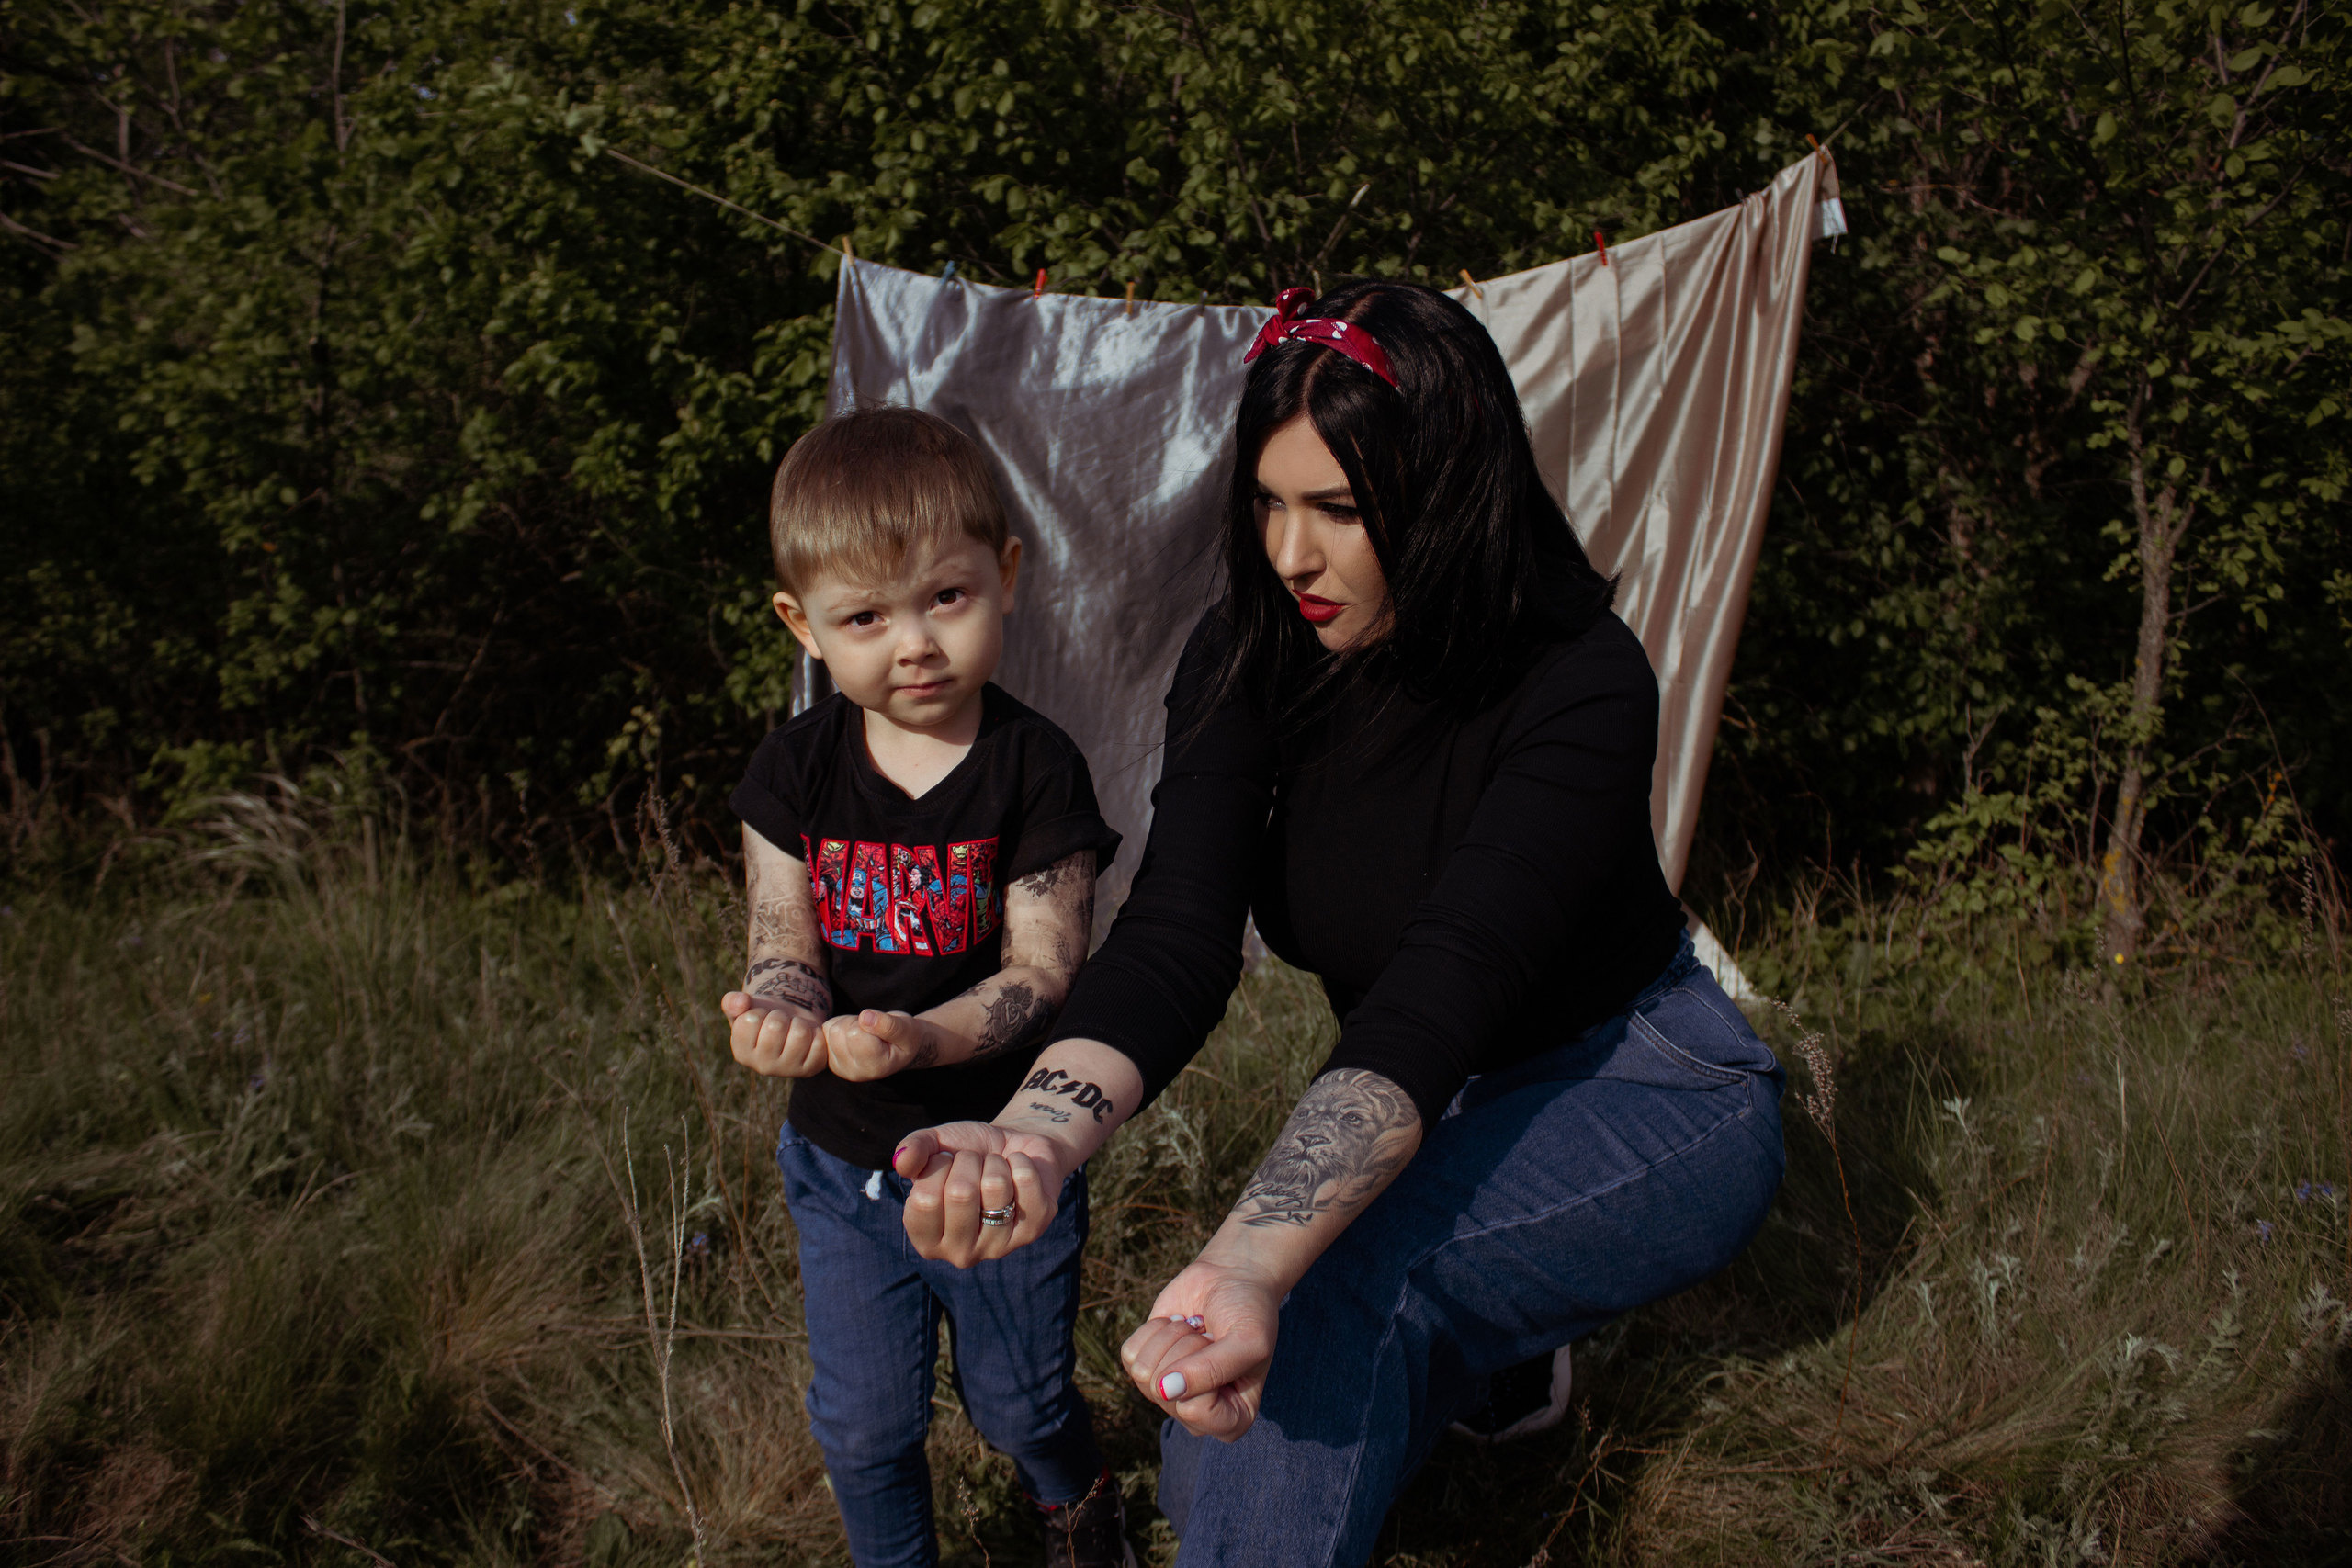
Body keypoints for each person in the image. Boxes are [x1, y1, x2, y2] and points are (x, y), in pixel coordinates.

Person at [886, 283, 1790, 1566]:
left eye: (1339, 510)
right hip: (1429, 1092)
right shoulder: (1251, 650)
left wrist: (1258, 1258)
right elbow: (1179, 933)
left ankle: (1464, 1325)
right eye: (1267, 499)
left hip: (1647, 1080)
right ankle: (1490, 1346)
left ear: (1450, 495)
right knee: (1218, 1459)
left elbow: (1445, 981)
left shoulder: (1580, 679)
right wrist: (1033, 1132)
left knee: (1328, 1289)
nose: (1289, 553)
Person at [719, 408, 1133, 1568]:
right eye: (865, 617)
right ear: (803, 626)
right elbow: (780, 940)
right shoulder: (791, 769)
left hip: (1001, 1151)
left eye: (944, 598)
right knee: (863, 1426)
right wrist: (782, 1018)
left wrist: (916, 1036)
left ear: (1004, 577)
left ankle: (1076, 1497)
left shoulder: (1035, 764)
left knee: (1021, 1406)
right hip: (840, 1159)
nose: (913, 643)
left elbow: (1043, 973)